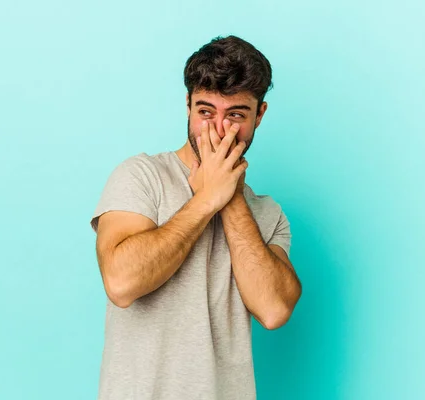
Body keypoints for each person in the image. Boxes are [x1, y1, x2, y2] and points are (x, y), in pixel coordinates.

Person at [90, 34, 302, 400]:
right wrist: (205, 201)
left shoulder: (268, 214)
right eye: (206, 112)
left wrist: (229, 196)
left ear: (259, 115)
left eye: (235, 115)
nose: (218, 130)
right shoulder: (141, 176)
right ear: (188, 105)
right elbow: (121, 283)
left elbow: (273, 310)